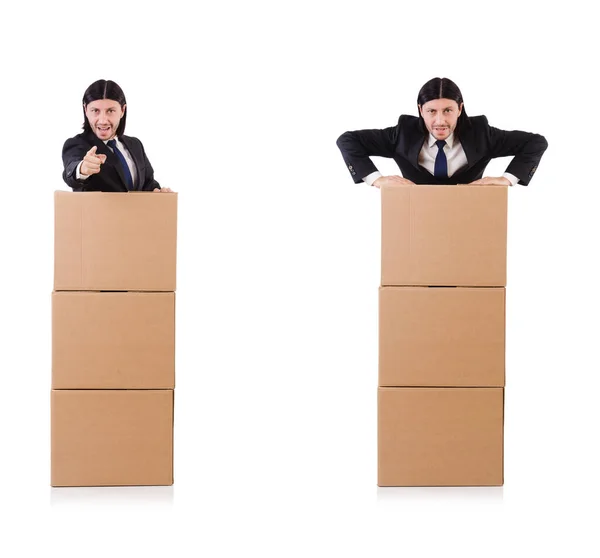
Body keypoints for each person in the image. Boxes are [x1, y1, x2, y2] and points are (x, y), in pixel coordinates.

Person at [336, 77, 548, 188]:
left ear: (460, 109)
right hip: (414, 218)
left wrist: (507, 179)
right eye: (431, 111)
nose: (440, 121)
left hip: (470, 217)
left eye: (448, 110)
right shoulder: (403, 133)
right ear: (420, 110)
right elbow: (348, 140)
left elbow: (536, 142)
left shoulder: (481, 133)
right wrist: (377, 180)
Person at [62, 79, 172, 192]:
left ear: (122, 110)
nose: (103, 120)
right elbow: (71, 171)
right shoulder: (76, 144)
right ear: (86, 110)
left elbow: (148, 184)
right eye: (95, 110)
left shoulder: (135, 145)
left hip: (138, 210)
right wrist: (82, 168)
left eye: (110, 111)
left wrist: (158, 192)